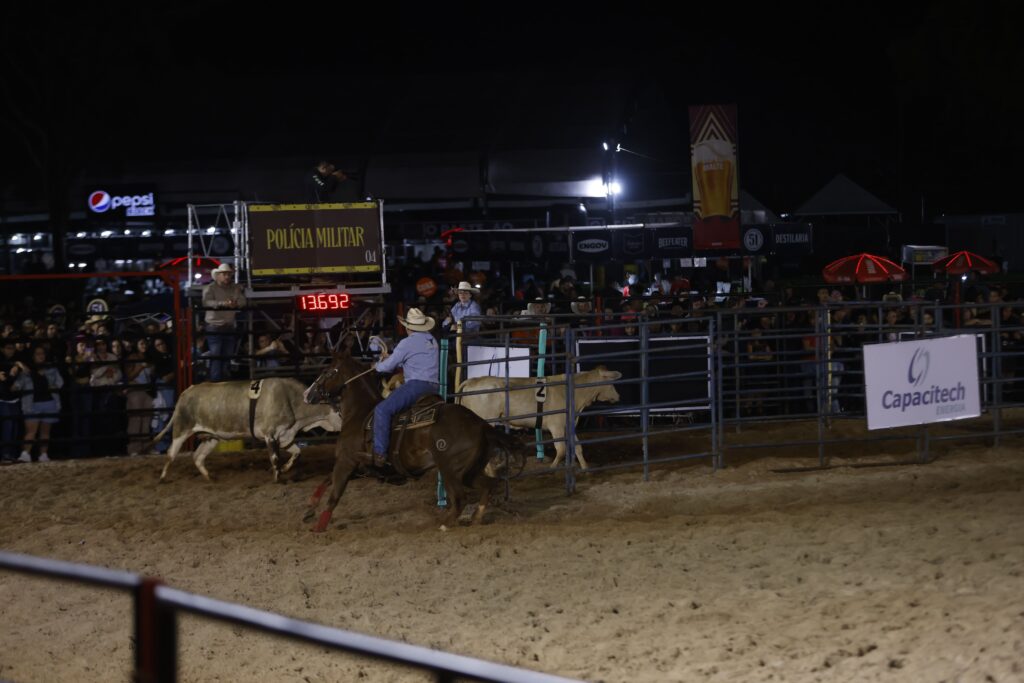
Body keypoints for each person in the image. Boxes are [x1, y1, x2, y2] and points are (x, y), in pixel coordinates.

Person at [367, 308, 440, 468]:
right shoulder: (431, 339)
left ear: (408, 327)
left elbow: (389, 366)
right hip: (434, 387)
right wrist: (393, 358)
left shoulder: (407, 342)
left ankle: (380, 453)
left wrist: (376, 366)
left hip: (416, 385)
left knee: (382, 410)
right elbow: (411, 359)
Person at [14, 346, 63, 463]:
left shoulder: (51, 368)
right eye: (38, 354)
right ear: (33, 356)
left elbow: (60, 383)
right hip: (31, 404)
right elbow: (17, 385)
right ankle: (25, 454)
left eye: (42, 353)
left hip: (49, 402)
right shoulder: (27, 371)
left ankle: (43, 455)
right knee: (31, 432)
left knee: (45, 432)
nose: (41, 356)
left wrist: (54, 387)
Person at [202, 263, 246, 382]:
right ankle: (217, 380)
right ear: (218, 275)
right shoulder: (210, 288)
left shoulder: (235, 288)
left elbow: (243, 301)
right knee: (217, 355)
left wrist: (235, 304)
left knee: (226, 354)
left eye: (229, 274)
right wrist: (224, 303)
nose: (227, 276)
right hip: (215, 326)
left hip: (227, 325)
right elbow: (207, 302)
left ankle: (223, 380)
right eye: (224, 274)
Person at [125, 338, 154, 456]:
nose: (144, 346)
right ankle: (134, 448)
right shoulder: (131, 358)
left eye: (145, 343)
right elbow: (129, 376)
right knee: (136, 419)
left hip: (147, 391)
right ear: (136, 345)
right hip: (135, 390)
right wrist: (141, 367)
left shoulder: (149, 357)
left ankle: (146, 447)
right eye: (141, 343)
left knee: (147, 419)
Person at [0, 340, 23, 462]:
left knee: (14, 426)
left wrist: (17, 365)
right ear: (3, 349)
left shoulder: (18, 360)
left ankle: (12, 453)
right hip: (2, 398)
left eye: (13, 348)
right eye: (8, 348)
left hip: (14, 397)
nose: (11, 350)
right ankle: (5, 453)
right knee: (7, 425)